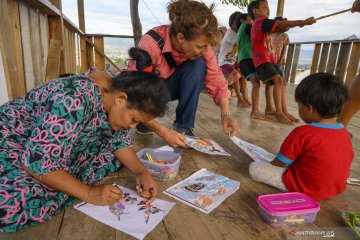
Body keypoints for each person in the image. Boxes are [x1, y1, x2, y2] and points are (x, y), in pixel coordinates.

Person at [0, 48, 169, 233]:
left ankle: (61, 174)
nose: (133, 127)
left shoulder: (114, 91)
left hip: (45, 143)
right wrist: (88, 193)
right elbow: (35, 162)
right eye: (134, 120)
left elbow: (118, 142)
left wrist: (141, 172)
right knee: (13, 203)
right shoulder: (72, 100)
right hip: (13, 140)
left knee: (112, 158)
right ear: (121, 99)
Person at [129, 0, 240, 145]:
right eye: (200, 46)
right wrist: (163, 131)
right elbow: (131, 95)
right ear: (181, 38)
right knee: (141, 102)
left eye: (206, 47)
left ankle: (183, 127)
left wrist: (226, 114)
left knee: (199, 63)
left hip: (171, 87)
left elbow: (216, 79)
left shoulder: (203, 48)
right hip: (151, 93)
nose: (204, 50)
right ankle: (145, 118)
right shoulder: (151, 44)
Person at [249, 73, 354, 201]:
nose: (298, 108)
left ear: (309, 109)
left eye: (299, 105)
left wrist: (270, 165)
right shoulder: (344, 132)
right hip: (335, 188)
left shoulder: (303, 132)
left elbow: (279, 163)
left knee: (255, 168)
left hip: (306, 188)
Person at [249, 0, 315, 124]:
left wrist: (298, 25)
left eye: (268, 7)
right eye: (265, 6)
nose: (268, 9)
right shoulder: (259, 22)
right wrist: (304, 22)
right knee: (278, 79)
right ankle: (279, 112)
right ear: (255, 11)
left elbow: (281, 28)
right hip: (261, 60)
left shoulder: (262, 25)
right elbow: (281, 24)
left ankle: (284, 110)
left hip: (267, 60)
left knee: (282, 82)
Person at [236, 13, 268, 120]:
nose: (252, 20)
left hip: (245, 58)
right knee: (256, 83)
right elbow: (258, 31)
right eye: (250, 18)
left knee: (256, 83)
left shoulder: (242, 29)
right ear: (242, 20)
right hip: (246, 58)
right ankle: (254, 112)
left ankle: (255, 111)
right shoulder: (245, 26)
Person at [218, 11, 251, 108]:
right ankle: (240, 99)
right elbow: (241, 43)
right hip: (224, 63)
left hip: (232, 62)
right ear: (233, 23)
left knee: (244, 73)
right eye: (239, 23)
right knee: (236, 74)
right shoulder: (230, 33)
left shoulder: (237, 33)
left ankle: (245, 97)